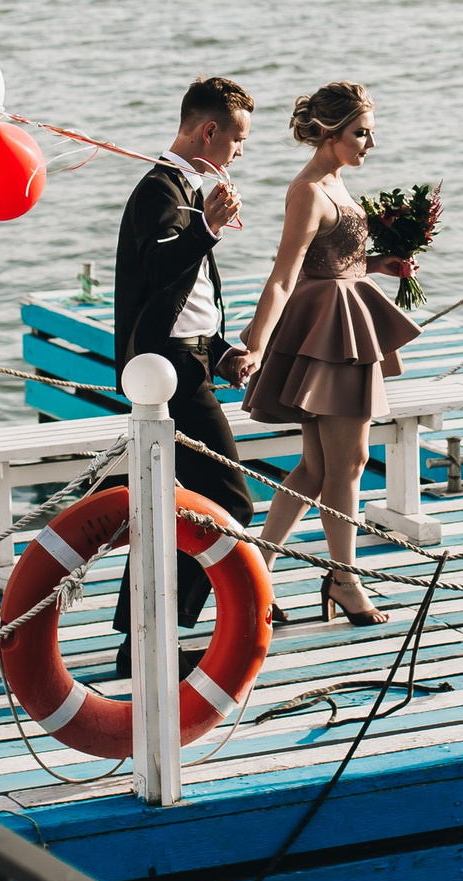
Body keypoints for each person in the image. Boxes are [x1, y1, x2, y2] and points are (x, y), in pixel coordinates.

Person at [240, 82, 420, 626]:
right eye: (361, 132)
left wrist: (378, 263)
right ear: (330, 133)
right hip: (328, 333)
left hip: (344, 320)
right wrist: (255, 342)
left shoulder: (336, 182)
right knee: (349, 463)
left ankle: (259, 572)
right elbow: (285, 273)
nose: (371, 142)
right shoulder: (309, 191)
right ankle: (344, 579)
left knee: (318, 466)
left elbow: (335, 260)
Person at [105, 76, 258, 677]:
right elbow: (159, 264)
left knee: (174, 506)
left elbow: (185, 293)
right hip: (167, 370)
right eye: (238, 138)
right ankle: (154, 635)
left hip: (188, 360)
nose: (241, 152)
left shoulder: (185, 187)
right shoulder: (159, 189)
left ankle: (141, 642)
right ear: (209, 131)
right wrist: (206, 228)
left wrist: (220, 350)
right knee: (228, 500)